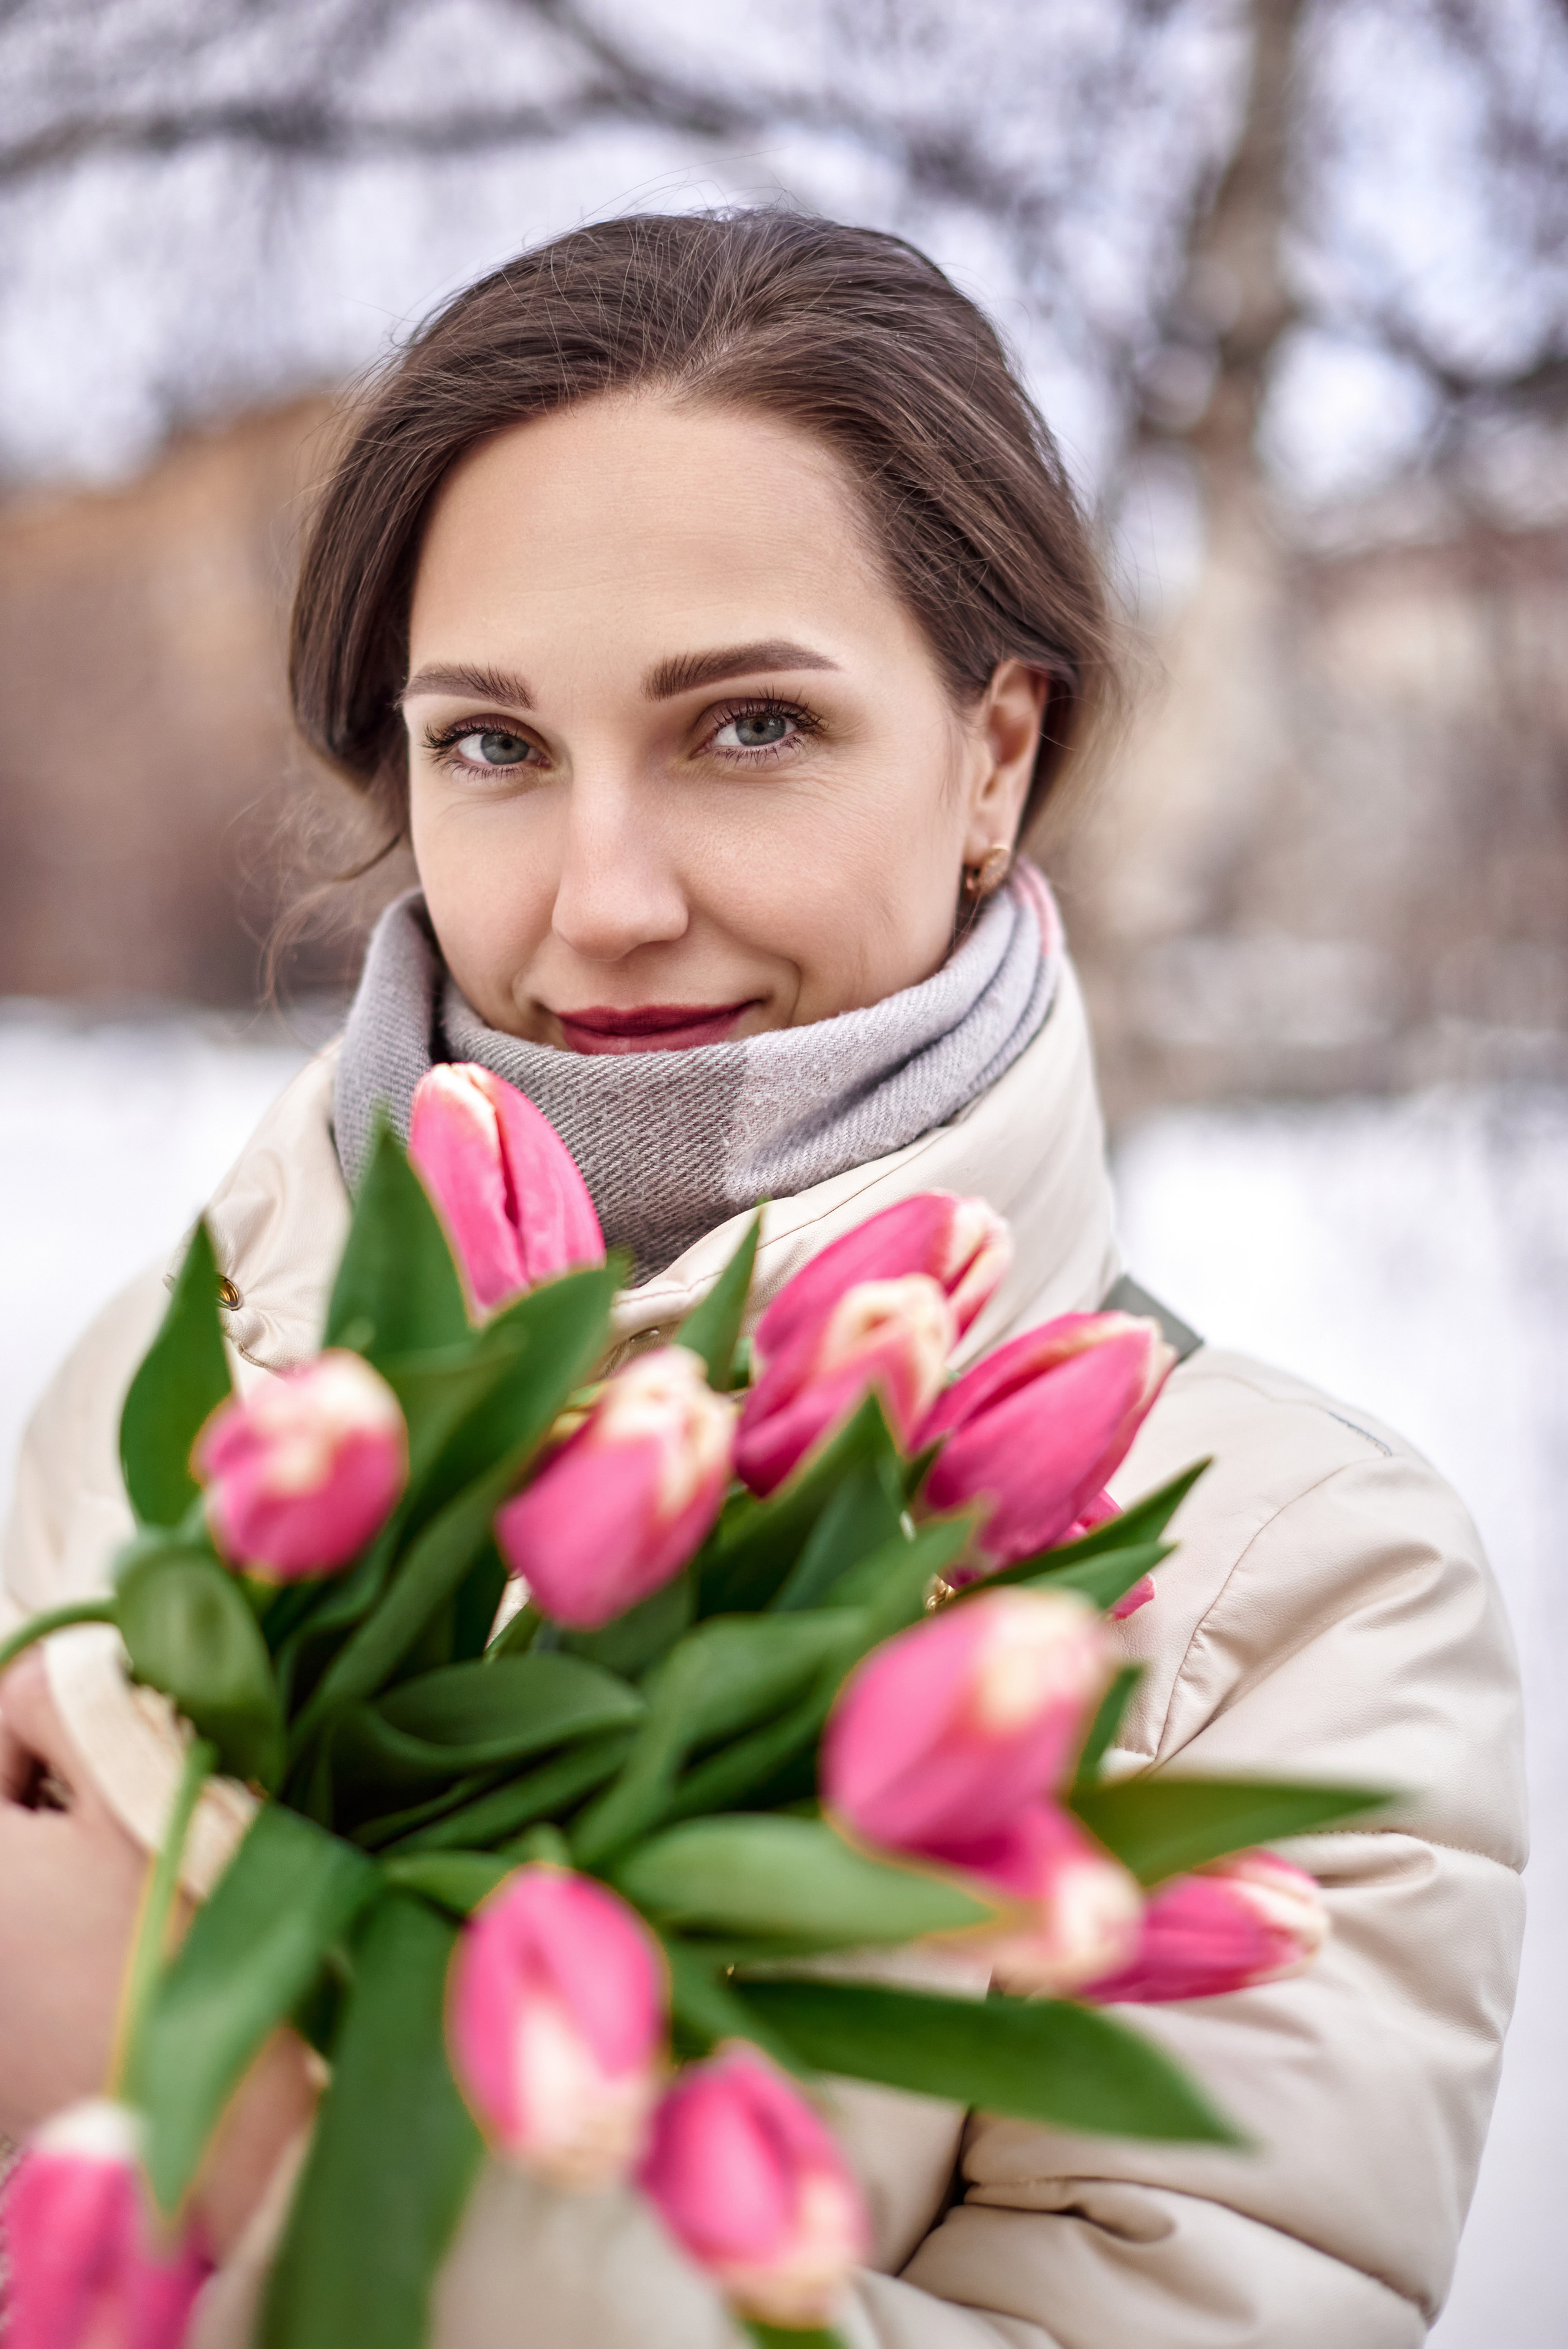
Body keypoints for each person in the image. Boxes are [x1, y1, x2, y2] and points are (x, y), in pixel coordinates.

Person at [0, 210, 1525, 2347]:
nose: (606, 898)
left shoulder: (1294, 1588)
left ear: (996, 753)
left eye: (747, 728)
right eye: (494, 744)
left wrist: (252, 2137)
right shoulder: (202, 1357)